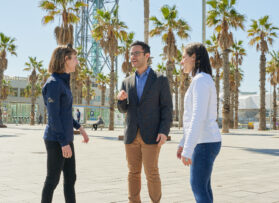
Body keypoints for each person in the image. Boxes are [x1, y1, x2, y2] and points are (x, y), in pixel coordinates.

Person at [117, 41, 173, 203]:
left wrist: (164, 131)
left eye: (136, 53)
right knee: (133, 173)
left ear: (146, 56)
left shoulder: (160, 80)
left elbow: (167, 108)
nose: (132, 57)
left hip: (152, 134)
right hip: (131, 135)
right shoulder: (126, 81)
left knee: (152, 173)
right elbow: (123, 109)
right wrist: (120, 100)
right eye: (131, 54)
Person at [41, 44, 89, 203]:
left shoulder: (63, 82)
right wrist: (63, 143)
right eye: (74, 58)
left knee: (71, 178)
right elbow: (54, 117)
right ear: (65, 59)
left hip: (66, 138)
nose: (77, 62)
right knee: (52, 180)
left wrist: (79, 127)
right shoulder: (54, 83)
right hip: (56, 140)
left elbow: (65, 113)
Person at [177, 42, 222, 203]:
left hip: (204, 142)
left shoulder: (201, 80)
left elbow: (198, 116)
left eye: (184, 57)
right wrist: (183, 143)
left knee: (198, 187)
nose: (181, 62)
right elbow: (191, 118)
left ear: (194, 57)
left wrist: (188, 149)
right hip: (206, 141)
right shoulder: (201, 79)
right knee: (203, 188)